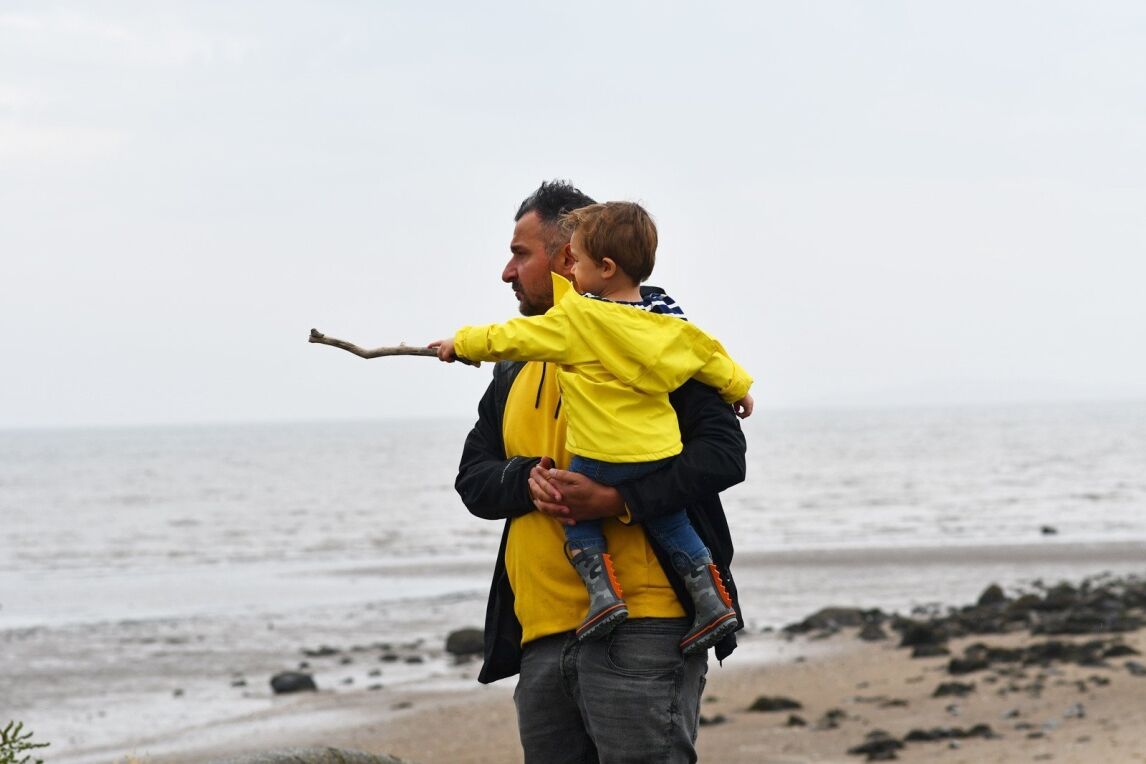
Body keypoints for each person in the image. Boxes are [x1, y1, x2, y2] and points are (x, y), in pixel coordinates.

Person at [451, 180, 747, 763]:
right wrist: (525, 482)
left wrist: (616, 499)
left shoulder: (654, 340)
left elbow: (722, 454)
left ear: (569, 260)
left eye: (520, 253)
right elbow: (473, 477)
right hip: (539, 636)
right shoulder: (515, 367)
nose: (507, 273)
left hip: (646, 627)